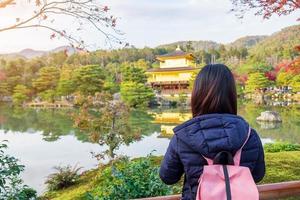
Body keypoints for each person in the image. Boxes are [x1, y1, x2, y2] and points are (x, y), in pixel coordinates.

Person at [159, 64, 265, 200]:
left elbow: (167, 177)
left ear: (197, 94)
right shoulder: (250, 135)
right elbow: (257, 175)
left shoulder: (183, 137)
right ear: (232, 95)